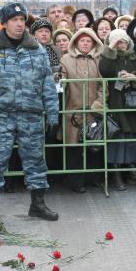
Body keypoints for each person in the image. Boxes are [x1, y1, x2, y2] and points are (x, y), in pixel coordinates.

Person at [0, 2, 60, 226]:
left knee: (36, 160)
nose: (20, 24)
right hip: (1, 116)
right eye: (14, 20)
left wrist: (53, 116)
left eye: (22, 20)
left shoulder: (36, 49)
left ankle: (37, 205)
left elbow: (48, 85)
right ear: (5, 23)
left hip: (31, 115)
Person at [99, 29, 136, 190]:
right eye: (117, 41)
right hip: (117, 103)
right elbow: (104, 70)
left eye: (123, 40)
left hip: (134, 103)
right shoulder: (109, 58)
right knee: (117, 138)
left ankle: (133, 172)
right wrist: (111, 47)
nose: (121, 43)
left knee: (134, 137)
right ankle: (116, 176)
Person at [59, 27, 104, 193]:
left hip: (94, 111)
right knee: (74, 148)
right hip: (73, 110)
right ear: (76, 42)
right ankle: (75, 182)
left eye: (89, 41)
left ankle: (94, 179)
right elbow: (61, 81)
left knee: (94, 146)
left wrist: (99, 103)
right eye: (82, 40)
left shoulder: (99, 59)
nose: (85, 43)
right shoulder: (66, 59)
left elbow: (103, 84)